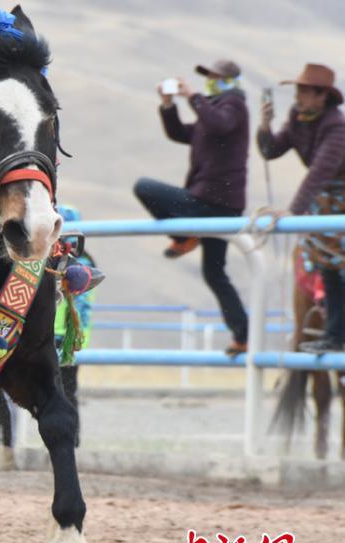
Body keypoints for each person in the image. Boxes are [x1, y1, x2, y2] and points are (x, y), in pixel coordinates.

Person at [133, 59, 250, 356]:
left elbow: (218, 124)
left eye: (214, 76)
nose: (209, 81)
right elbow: (182, 134)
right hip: (215, 205)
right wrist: (168, 105)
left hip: (214, 204)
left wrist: (192, 97)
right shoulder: (214, 109)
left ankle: (185, 236)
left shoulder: (233, 105)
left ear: (228, 80)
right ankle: (244, 335)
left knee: (144, 187)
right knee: (214, 274)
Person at [259, 64, 345, 353]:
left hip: (338, 199)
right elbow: (271, 150)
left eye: (305, 91)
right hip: (323, 203)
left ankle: (335, 332)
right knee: (326, 263)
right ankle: (334, 335)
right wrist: (264, 126)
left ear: (322, 96)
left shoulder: (336, 127)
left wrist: (293, 213)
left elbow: (319, 172)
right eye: (298, 90)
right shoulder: (298, 119)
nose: (299, 96)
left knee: (339, 263)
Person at [53, 205, 96, 414]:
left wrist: (71, 337)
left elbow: (80, 307)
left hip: (64, 337)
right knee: (64, 391)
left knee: (65, 392)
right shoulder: (85, 263)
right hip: (62, 335)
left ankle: (71, 438)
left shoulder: (79, 266)